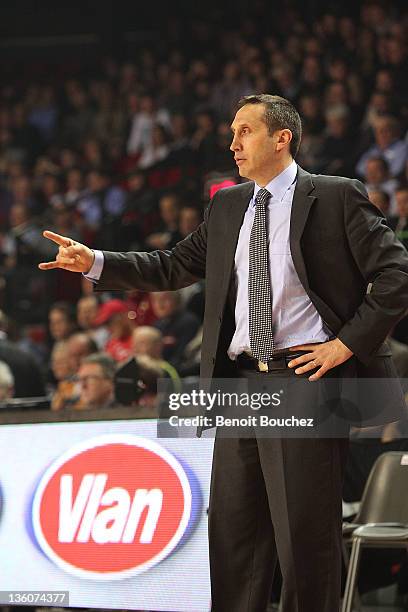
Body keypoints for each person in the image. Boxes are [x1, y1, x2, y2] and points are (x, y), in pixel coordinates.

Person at [38, 94, 408, 612]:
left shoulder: (335, 196)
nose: (232, 143)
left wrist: (346, 344)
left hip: (302, 381)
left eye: (245, 131)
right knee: (234, 540)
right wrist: (95, 261)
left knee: (305, 543)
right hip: (237, 385)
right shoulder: (228, 203)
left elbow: (396, 274)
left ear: (283, 138)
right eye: (232, 132)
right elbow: (172, 265)